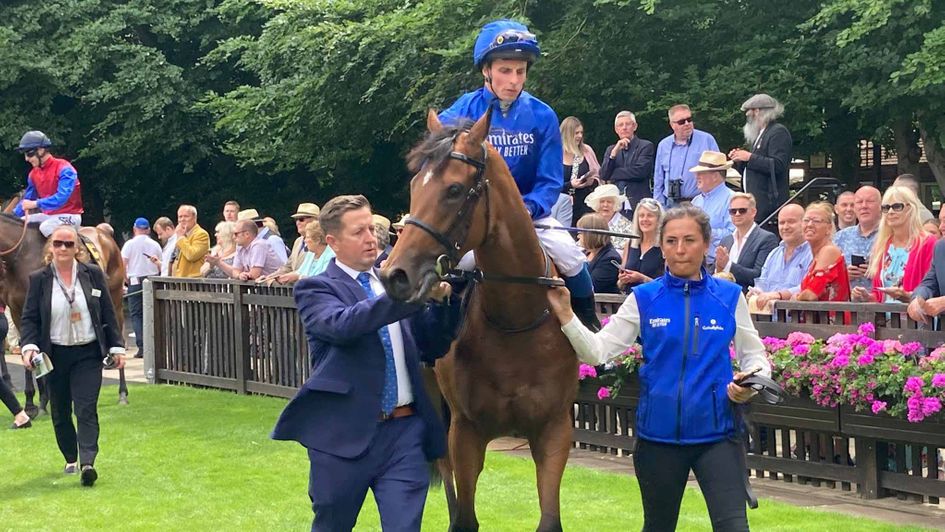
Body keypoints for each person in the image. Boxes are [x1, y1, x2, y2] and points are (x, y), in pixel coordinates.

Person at [546, 205, 770, 531]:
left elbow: (756, 357)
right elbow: (597, 352)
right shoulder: (644, 298)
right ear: (662, 246)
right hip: (658, 440)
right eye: (672, 241)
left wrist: (750, 383)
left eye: (690, 240)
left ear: (706, 244)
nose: (680, 249)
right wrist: (566, 315)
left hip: (719, 437)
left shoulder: (729, 296)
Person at [270, 195, 457, 531]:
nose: (371, 238)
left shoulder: (391, 284)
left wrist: (441, 304)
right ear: (333, 242)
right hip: (342, 433)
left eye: (371, 228)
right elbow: (345, 326)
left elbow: (431, 346)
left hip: (404, 431)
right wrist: (405, 294)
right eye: (358, 232)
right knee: (333, 524)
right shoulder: (315, 288)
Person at [437, 19, 599, 329]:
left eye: (520, 71)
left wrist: (528, 207)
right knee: (450, 267)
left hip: (529, 214)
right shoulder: (461, 112)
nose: (513, 80)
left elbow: (550, 180)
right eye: (505, 71)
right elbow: (438, 164)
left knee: (572, 258)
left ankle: (589, 329)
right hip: (475, 218)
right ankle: (443, 335)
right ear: (487, 70)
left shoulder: (542, 114)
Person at [19, 225, 126, 486]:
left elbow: (107, 313)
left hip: (88, 353)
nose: (63, 249)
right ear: (50, 248)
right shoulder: (39, 279)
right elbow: (30, 318)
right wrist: (29, 346)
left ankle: (88, 462)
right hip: (54, 355)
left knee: (86, 407)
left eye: (68, 244)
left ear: (77, 248)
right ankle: (70, 455)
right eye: (58, 244)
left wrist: (117, 347)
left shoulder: (92, 275)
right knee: (61, 411)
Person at [851, 187, 936, 304]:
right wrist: (867, 297)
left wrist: (906, 296)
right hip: (888, 320)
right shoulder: (883, 244)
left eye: (897, 207)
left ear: (910, 208)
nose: (890, 212)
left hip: (916, 319)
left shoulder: (927, 242)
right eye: (886, 208)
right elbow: (880, 297)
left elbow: (933, 289)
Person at [728, 94, 792, 224]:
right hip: (757, 206)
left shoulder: (778, 132)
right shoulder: (759, 135)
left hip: (769, 208)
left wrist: (750, 157)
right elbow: (755, 170)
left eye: (748, 112)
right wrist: (740, 161)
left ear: (757, 112)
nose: (746, 116)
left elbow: (778, 165)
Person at [12, 131, 84, 237]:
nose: (26, 159)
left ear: (41, 150)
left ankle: (61, 252)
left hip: (70, 215)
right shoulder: (33, 174)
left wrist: (36, 204)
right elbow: (28, 199)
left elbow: (61, 198)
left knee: (46, 227)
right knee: (18, 224)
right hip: (48, 216)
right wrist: (10, 217)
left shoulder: (65, 168)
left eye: (29, 154)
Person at [653, 104, 720, 208]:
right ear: (672, 125)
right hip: (671, 205)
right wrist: (658, 205)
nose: (687, 124)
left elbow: (719, 172)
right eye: (681, 122)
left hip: (700, 202)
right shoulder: (663, 145)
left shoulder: (707, 140)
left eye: (689, 119)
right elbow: (658, 179)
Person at [750, 204, 814, 310]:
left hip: (798, 319)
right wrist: (756, 292)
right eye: (782, 223)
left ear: (804, 223)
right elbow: (763, 282)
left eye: (791, 222)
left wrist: (779, 295)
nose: (785, 227)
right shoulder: (774, 254)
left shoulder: (813, 253)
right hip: (769, 319)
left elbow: (809, 287)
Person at [716, 193, 779, 291]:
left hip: (748, 299)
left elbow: (759, 276)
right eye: (733, 211)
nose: (737, 214)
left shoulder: (766, 239)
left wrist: (728, 265)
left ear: (753, 212)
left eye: (742, 210)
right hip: (723, 295)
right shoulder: (726, 240)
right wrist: (718, 267)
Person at [120, 218, 161, 357]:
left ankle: (142, 347)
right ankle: (155, 345)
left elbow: (123, 263)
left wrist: (126, 279)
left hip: (135, 281)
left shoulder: (129, 244)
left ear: (134, 229)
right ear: (148, 229)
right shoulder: (155, 244)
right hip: (152, 280)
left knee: (136, 315)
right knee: (153, 313)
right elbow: (160, 264)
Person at [600, 110, 656, 210]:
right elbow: (604, 175)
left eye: (628, 124)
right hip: (617, 203)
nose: (624, 128)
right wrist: (613, 154)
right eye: (620, 125)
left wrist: (613, 174)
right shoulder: (611, 149)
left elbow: (640, 172)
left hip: (638, 201)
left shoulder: (645, 146)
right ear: (616, 129)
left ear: (634, 126)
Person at [796, 202, 850, 302]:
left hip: (833, 316)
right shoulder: (817, 254)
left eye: (816, 221)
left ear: (829, 228)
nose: (810, 225)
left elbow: (811, 294)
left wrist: (795, 298)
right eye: (806, 220)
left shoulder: (829, 251)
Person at [690, 151, 736, 270]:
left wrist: (705, 232)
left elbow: (735, 234)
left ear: (715, 176)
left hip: (716, 265)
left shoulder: (733, 200)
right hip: (694, 262)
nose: (697, 176)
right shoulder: (696, 201)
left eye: (701, 173)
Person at [834, 186, 882, 291]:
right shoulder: (840, 237)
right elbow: (826, 275)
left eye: (870, 201)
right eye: (859, 202)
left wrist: (877, 273)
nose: (864, 206)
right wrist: (843, 275)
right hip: (846, 305)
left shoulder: (891, 236)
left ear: (880, 206)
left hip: (880, 304)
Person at [208, 220, 284, 281]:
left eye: (236, 234)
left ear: (247, 234)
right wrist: (239, 275)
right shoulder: (240, 247)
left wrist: (242, 275)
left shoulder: (259, 245)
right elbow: (235, 271)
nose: (233, 237)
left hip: (279, 288)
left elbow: (254, 275)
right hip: (265, 288)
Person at [263, 203, 321, 282]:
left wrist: (295, 276)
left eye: (301, 219)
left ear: (315, 220)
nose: (297, 222)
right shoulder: (298, 241)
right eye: (296, 219)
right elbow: (288, 266)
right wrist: (269, 278)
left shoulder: (322, 243)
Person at [561, 116, 601, 223]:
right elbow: (548, 185)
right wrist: (570, 185)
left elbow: (599, 176)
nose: (580, 136)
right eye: (576, 133)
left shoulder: (586, 150)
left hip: (585, 207)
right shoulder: (554, 154)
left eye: (581, 133)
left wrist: (592, 181)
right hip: (561, 206)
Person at [619, 197, 664, 293]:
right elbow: (619, 283)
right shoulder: (630, 244)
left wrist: (642, 278)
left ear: (659, 220)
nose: (645, 219)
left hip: (654, 300)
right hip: (630, 299)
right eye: (641, 216)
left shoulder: (665, 246)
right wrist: (622, 279)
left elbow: (668, 285)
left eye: (650, 216)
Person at [584, 184, 635, 254]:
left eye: (609, 202)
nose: (605, 205)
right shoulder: (591, 222)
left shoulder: (628, 227)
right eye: (602, 201)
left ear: (615, 204)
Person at [577, 214, 621, 293]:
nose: (578, 236)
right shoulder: (584, 253)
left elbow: (591, 286)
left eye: (581, 232)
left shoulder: (610, 258)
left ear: (590, 235)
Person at [908, 237, 945, 323]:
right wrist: (918, 299)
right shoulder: (941, 248)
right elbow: (928, 284)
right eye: (941, 222)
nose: (941, 227)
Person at [172, 205, 210, 278]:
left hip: (194, 283)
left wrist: (181, 238)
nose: (182, 219)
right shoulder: (181, 234)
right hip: (180, 282)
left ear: (194, 218)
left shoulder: (201, 234)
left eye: (186, 216)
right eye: (180, 217)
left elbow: (192, 255)